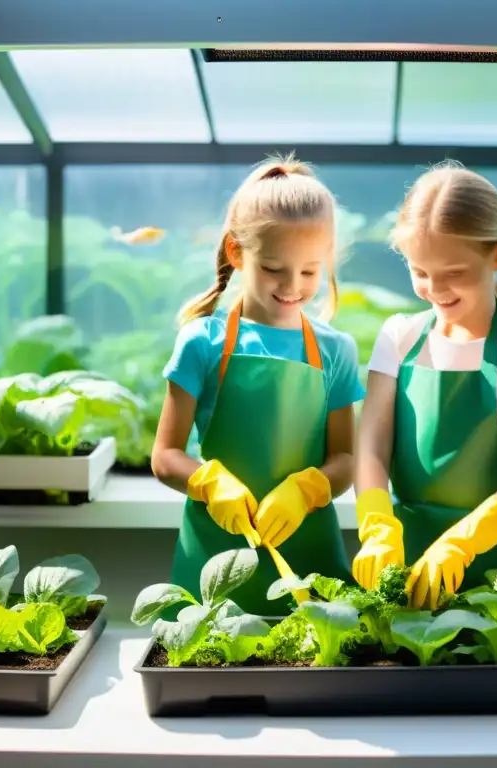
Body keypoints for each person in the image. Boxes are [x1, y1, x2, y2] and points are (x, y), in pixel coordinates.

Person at [352, 162, 497, 609]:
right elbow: (370, 449)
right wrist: (377, 525)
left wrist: (462, 544)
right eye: (419, 272)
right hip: (408, 562)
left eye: (454, 272)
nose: (435, 289)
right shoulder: (399, 337)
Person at [151, 155, 364, 615]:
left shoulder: (337, 350)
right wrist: (208, 483)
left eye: (310, 272)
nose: (293, 286)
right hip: (216, 553)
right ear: (236, 252)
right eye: (273, 268)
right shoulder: (201, 342)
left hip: (311, 554)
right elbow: (165, 457)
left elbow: (346, 460)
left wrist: (307, 489)